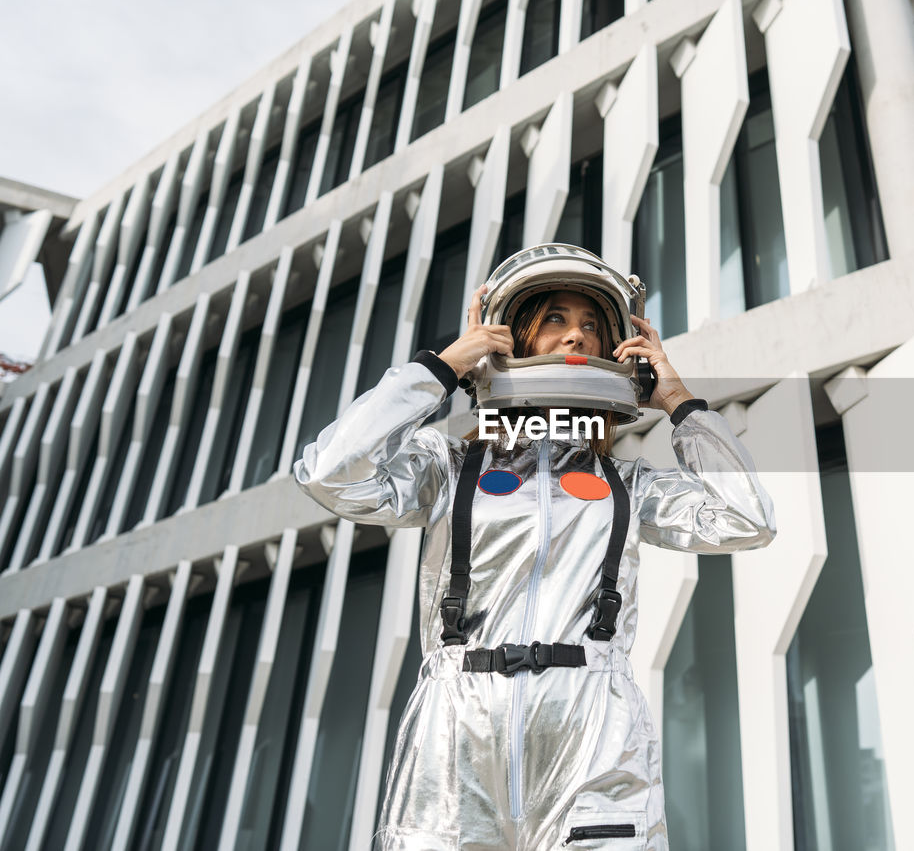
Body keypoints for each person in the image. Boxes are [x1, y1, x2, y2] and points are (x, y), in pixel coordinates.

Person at [294, 244, 776, 850]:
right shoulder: (449, 470)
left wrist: (679, 403)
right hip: (459, 729)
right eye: (555, 319)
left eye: (591, 325)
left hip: (592, 731)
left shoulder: (623, 485)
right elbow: (327, 472)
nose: (576, 335)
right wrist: (442, 368)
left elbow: (747, 518)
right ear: (513, 336)